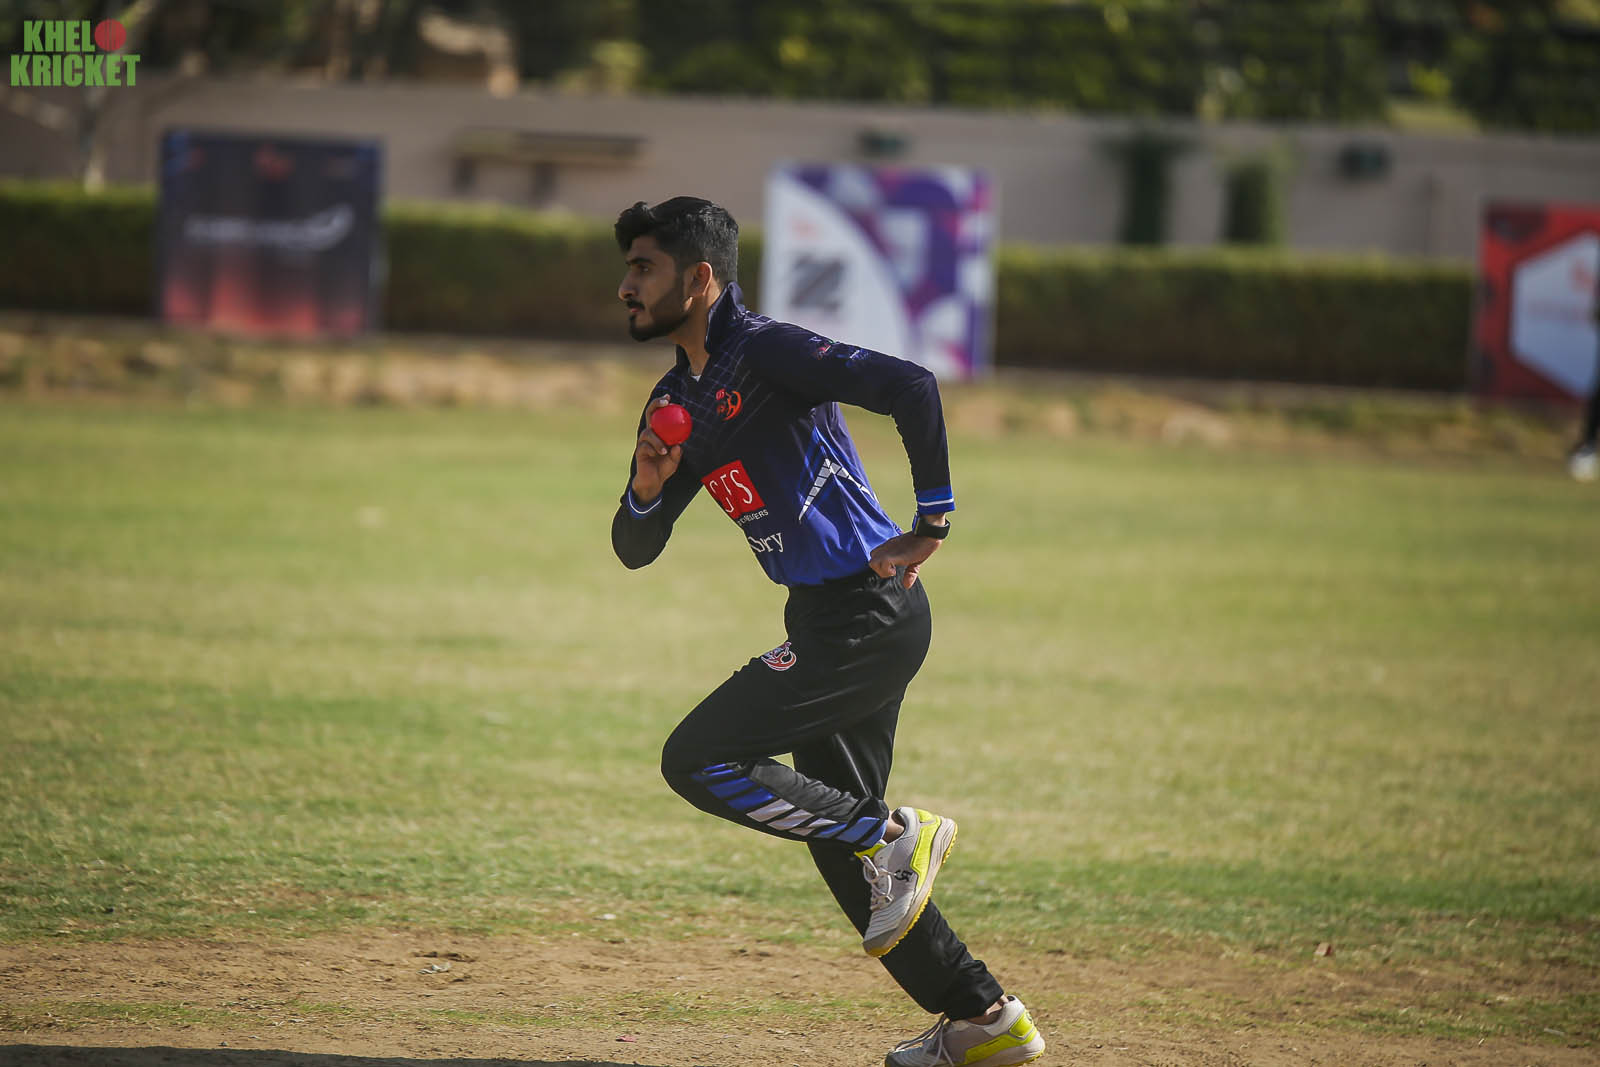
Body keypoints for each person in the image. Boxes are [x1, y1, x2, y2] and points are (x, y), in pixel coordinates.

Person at [608, 196, 1046, 1067]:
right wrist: (648, 487)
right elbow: (634, 546)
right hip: (824, 616)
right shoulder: (677, 398)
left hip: (867, 612)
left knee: (698, 758)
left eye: (643, 268)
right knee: (845, 853)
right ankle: (985, 1019)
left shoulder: (764, 350)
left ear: (699, 279)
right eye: (626, 269)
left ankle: (893, 830)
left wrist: (933, 520)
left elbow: (910, 386)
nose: (626, 286)